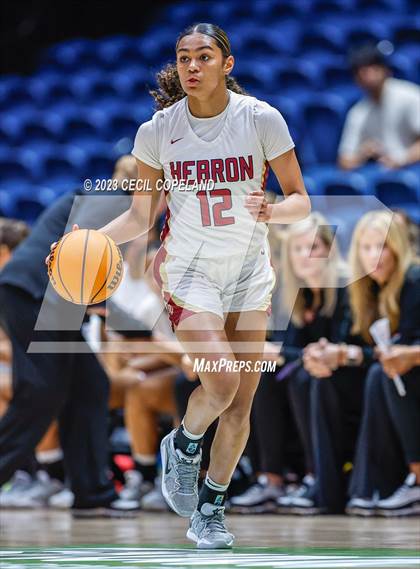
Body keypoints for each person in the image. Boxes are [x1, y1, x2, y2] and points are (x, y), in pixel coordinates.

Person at [63, 23, 310, 548]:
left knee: (242, 406)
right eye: (183, 58)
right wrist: (85, 240)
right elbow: (140, 217)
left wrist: (276, 208)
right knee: (219, 383)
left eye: (203, 56)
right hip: (191, 272)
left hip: (248, 274)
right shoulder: (157, 130)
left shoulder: (261, 119)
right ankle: (185, 441)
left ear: (228, 64)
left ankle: (211, 510)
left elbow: (300, 200)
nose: (192, 66)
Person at [0, 156, 150, 517]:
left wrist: (131, 325)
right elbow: (79, 260)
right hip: (34, 294)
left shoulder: (104, 199)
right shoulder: (116, 202)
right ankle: (90, 491)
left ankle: (92, 494)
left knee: (90, 385)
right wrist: (140, 329)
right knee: (41, 394)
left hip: (48, 298)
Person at [231, 213, 351, 513]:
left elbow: (343, 345)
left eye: (313, 248)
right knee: (263, 374)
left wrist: (285, 354)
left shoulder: (347, 289)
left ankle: (316, 475)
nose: (305, 256)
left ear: (330, 250)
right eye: (297, 249)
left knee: (298, 376)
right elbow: (293, 348)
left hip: (349, 374)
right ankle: (271, 479)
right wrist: (281, 354)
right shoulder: (296, 295)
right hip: (313, 371)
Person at [338, 44, 420, 170]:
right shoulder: (358, 111)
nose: (366, 74)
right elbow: (344, 161)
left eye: (371, 67)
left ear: (386, 70)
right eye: (360, 71)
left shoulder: (410, 96)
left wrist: (402, 159)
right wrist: (363, 153)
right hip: (383, 176)